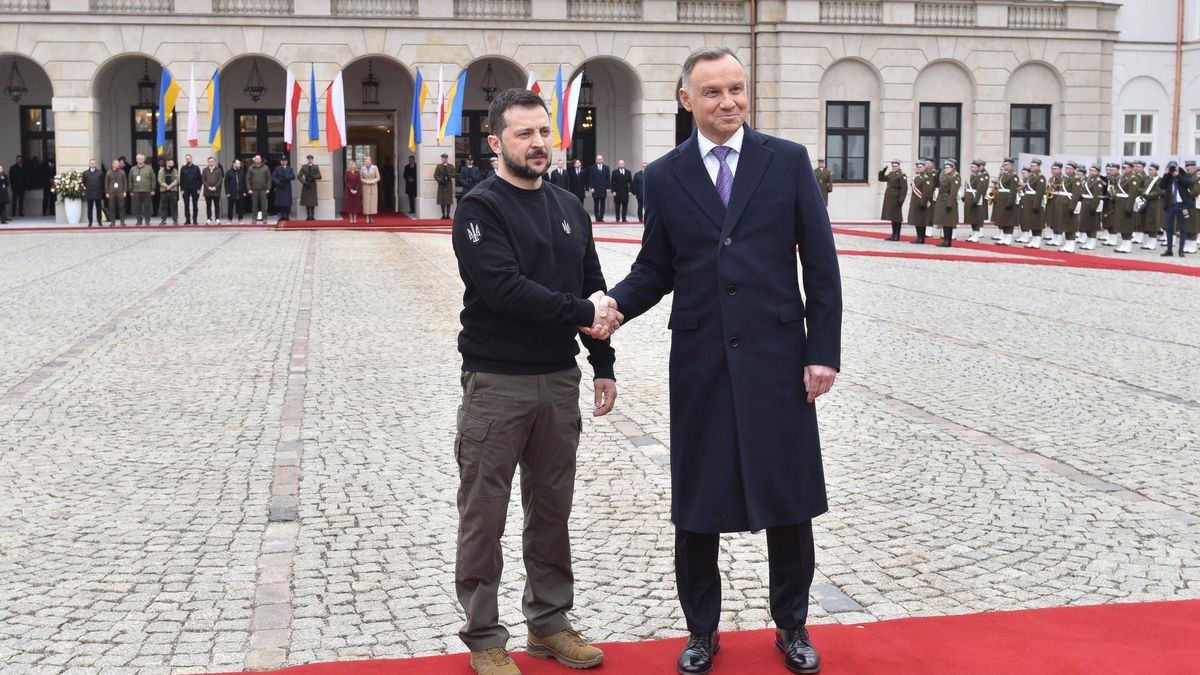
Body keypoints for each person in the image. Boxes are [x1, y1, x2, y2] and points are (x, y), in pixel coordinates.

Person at [599, 47, 840, 675]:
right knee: (698, 502)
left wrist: (823, 352)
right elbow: (657, 266)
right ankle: (701, 630)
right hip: (702, 358)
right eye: (712, 92)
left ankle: (791, 625)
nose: (728, 102)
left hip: (779, 358)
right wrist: (614, 307)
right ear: (687, 100)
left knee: (788, 500)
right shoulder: (664, 175)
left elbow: (820, 262)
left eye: (736, 88)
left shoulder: (785, 162)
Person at [450, 87, 616, 675]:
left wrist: (603, 364)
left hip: (558, 381)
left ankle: (549, 623)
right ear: (496, 142)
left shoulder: (570, 207)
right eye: (524, 134)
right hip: (497, 383)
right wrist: (581, 312)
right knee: (484, 513)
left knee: (551, 510)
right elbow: (505, 290)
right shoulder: (479, 208)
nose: (538, 143)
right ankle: (485, 635)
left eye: (544, 132)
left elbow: (593, 287)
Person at [1160, 161, 1194, 257]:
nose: (1172, 170)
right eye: (1171, 168)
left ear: (1178, 167)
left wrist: (1177, 175)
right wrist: (1166, 174)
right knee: (1169, 228)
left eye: (1173, 167)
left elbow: (1188, 183)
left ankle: (1181, 250)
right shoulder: (1168, 177)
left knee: (1183, 228)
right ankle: (1169, 250)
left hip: (1182, 205)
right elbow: (1161, 186)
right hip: (1171, 205)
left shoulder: (1183, 174)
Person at [990, 159, 1018, 245]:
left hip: (1007, 199)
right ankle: (1004, 237)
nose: (1005, 166)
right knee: (1003, 219)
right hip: (1001, 199)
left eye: (1007, 165)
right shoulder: (1004, 175)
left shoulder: (1013, 176)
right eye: (1004, 165)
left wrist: (1010, 202)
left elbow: (1013, 191)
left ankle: (1008, 238)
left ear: (1011, 165)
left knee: (1009, 220)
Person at [933, 159, 961, 247]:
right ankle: (945, 240)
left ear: (952, 168)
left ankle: (948, 241)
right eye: (945, 167)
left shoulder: (954, 177)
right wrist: (936, 176)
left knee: (948, 222)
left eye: (948, 167)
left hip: (948, 201)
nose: (945, 169)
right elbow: (937, 185)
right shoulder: (945, 176)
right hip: (942, 200)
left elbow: (953, 192)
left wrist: (949, 204)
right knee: (944, 222)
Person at [1078, 164, 1105, 251]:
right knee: (1086, 224)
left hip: (1091, 205)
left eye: (1092, 170)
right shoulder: (1089, 180)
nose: (1090, 172)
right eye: (1090, 170)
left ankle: (1092, 242)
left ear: (1097, 172)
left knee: (1092, 225)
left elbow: (1097, 196)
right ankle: (1088, 241)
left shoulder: (1098, 182)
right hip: (1085, 204)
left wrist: (1094, 207)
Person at [878, 160, 906, 241]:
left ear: (899, 166)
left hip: (896, 198)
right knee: (892, 217)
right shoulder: (891, 174)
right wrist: (883, 171)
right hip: (890, 198)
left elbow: (904, 189)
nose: (894, 167)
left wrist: (901, 199)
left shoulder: (902, 175)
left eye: (895, 166)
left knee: (897, 217)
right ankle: (893, 235)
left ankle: (897, 235)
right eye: (893, 166)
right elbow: (882, 179)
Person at [1020, 159, 1046, 248]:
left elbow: (1040, 192)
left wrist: (1036, 204)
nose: (1031, 167)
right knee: (1031, 221)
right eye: (1031, 165)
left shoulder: (1040, 177)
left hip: (1035, 202)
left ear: (1038, 166)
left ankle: (1037, 240)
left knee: (1037, 222)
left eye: (1033, 166)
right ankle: (1033, 240)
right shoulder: (1032, 176)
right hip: (1029, 201)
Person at [1138, 163, 1164, 251]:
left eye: (1152, 170)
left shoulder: (1159, 180)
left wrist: (1148, 195)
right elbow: (1140, 187)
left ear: (1156, 170)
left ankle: (1153, 243)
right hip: (1146, 203)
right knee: (1147, 223)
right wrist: (1142, 193)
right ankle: (1149, 241)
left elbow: (1159, 191)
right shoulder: (1146, 178)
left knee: (1153, 223)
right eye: (1149, 170)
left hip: (1154, 204)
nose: (1150, 171)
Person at [906, 160, 933, 244]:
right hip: (915, 202)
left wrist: (923, 203)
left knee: (921, 221)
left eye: (920, 167)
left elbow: (927, 192)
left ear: (924, 168)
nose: (918, 168)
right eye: (917, 167)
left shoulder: (926, 178)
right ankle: (918, 237)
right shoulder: (916, 178)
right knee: (917, 220)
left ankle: (921, 238)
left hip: (921, 202)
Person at [962, 160, 988, 242]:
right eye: (971, 166)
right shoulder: (972, 176)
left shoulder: (980, 176)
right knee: (971, 218)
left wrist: (976, 201)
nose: (971, 168)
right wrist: (965, 196)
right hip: (969, 198)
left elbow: (980, 190)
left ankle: (976, 235)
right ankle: (973, 234)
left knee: (976, 218)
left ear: (978, 167)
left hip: (975, 199)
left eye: (973, 167)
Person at [128, 154, 156, 226]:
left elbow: (153, 179)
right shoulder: (132, 169)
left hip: (147, 190)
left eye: (141, 159)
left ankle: (147, 221)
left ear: (144, 160)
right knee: (137, 207)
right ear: (136, 160)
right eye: (138, 159)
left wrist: (153, 189)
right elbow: (130, 180)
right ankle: (139, 221)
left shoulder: (149, 168)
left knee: (147, 207)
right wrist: (131, 190)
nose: (140, 160)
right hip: (136, 191)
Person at [247, 154, 271, 224]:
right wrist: (249, 189)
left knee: (264, 205)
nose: (258, 160)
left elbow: (269, 179)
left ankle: (265, 218)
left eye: (259, 159)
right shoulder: (251, 168)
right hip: (254, 189)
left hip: (263, 189)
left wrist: (268, 188)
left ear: (261, 160)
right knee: (254, 205)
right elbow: (248, 179)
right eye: (256, 159)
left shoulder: (265, 168)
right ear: (254, 159)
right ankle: (254, 218)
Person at [272, 155, 296, 222]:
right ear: (280, 161)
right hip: (280, 187)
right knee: (280, 203)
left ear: (287, 161)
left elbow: (293, 176)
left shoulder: (290, 169)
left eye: (284, 161)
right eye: (282, 161)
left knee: (287, 203)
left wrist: (286, 177)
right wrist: (278, 182)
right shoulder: (277, 168)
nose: (283, 162)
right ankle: (282, 216)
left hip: (287, 187)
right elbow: (273, 177)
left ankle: (287, 216)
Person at [179, 154, 202, 224]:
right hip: (186, 189)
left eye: (188, 158)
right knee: (186, 205)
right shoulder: (183, 168)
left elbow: (200, 179)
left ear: (191, 159)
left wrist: (199, 189)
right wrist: (182, 190)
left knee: (195, 205)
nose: (187, 160)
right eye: (186, 159)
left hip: (195, 189)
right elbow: (181, 180)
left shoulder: (196, 168)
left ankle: (195, 220)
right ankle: (188, 220)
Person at [82, 159, 106, 227]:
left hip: (98, 193)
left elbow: (102, 182)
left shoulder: (100, 172)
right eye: (91, 163)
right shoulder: (85, 173)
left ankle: (99, 222)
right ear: (89, 164)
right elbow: (84, 182)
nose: (92, 164)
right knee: (89, 209)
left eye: (94, 163)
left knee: (99, 208)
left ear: (95, 164)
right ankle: (90, 222)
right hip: (89, 193)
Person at [104, 158, 128, 226]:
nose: (118, 165)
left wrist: (125, 191)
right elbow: (106, 183)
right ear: (113, 164)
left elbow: (125, 182)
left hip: (120, 192)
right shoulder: (108, 173)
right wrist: (107, 192)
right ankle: (112, 222)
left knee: (122, 207)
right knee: (111, 207)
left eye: (118, 163)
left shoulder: (122, 172)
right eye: (117, 163)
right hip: (111, 192)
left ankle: (122, 222)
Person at [156, 158, 180, 225]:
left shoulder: (175, 170)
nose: (172, 164)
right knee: (164, 207)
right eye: (171, 163)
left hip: (173, 191)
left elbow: (177, 179)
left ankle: (175, 220)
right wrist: (166, 186)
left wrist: (170, 186)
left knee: (174, 206)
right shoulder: (161, 171)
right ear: (167, 163)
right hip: (164, 191)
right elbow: (159, 180)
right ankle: (163, 220)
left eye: (173, 163)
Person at [587, 154, 610, 222]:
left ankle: (601, 218)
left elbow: (608, 178)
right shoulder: (592, 168)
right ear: (596, 160)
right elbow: (591, 178)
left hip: (603, 189)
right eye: (598, 159)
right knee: (596, 204)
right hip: (595, 189)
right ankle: (597, 218)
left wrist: (608, 187)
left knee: (603, 204)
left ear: (602, 160)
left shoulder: (606, 168)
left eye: (600, 159)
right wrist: (591, 187)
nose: (599, 160)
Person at [298, 154, 321, 221]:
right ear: (307, 160)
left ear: (312, 160)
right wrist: (304, 182)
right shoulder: (304, 167)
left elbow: (319, 176)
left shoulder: (315, 167)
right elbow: (299, 176)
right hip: (306, 185)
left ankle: (312, 216)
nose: (310, 160)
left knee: (312, 201)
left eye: (311, 159)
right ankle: (308, 216)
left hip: (313, 185)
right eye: (308, 159)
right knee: (307, 201)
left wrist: (313, 176)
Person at [224, 159, 248, 223]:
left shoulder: (242, 172)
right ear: (233, 164)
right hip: (231, 193)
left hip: (240, 192)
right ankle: (229, 219)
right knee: (230, 207)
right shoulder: (228, 172)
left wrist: (245, 191)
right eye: (238, 164)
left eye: (239, 164)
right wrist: (227, 192)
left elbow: (245, 182)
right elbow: (226, 183)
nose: (239, 165)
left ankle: (240, 219)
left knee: (240, 207)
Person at [202, 156, 224, 224]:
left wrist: (215, 187)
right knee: (208, 205)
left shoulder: (218, 170)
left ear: (214, 162)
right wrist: (208, 187)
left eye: (212, 161)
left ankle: (217, 218)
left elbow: (220, 180)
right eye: (209, 161)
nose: (210, 162)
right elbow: (203, 180)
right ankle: (209, 218)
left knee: (217, 205)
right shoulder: (205, 170)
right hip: (207, 191)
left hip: (216, 191)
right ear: (208, 162)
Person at [359, 155, 381, 224]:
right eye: (365, 161)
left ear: (371, 161)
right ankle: (367, 217)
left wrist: (373, 181)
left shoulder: (375, 167)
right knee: (366, 202)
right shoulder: (362, 168)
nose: (367, 162)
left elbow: (378, 177)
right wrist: (365, 181)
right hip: (366, 186)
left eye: (368, 161)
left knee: (372, 202)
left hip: (373, 186)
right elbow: (360, 177)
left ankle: (371, 217)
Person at [435, 153, 456, 219]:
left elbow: (454, 174)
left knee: (448, 200)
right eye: (443, 158)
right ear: (442, 159)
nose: (445, 159)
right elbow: (435, 175)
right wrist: (440, 180)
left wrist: (449, 174)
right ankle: (443, 214)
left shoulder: (451, 166)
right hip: (441, 184)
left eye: (446, 158)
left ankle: (448, 215)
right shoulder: (439, 166)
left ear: (447, 158)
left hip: (448, 184)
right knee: (442, 200)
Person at [1186, 161, 1200, 254]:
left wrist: (1184, 194)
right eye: (1186, 169)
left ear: (1194, 168)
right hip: (1187, 204)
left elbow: (1195, 192)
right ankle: (1187, 244)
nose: (1187, 170)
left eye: (1188, 169)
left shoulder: (1197, 179)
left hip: (1195, 205)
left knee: (1194, 226)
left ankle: (1193, 245)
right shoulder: (1188, 178)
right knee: (1187, 224)